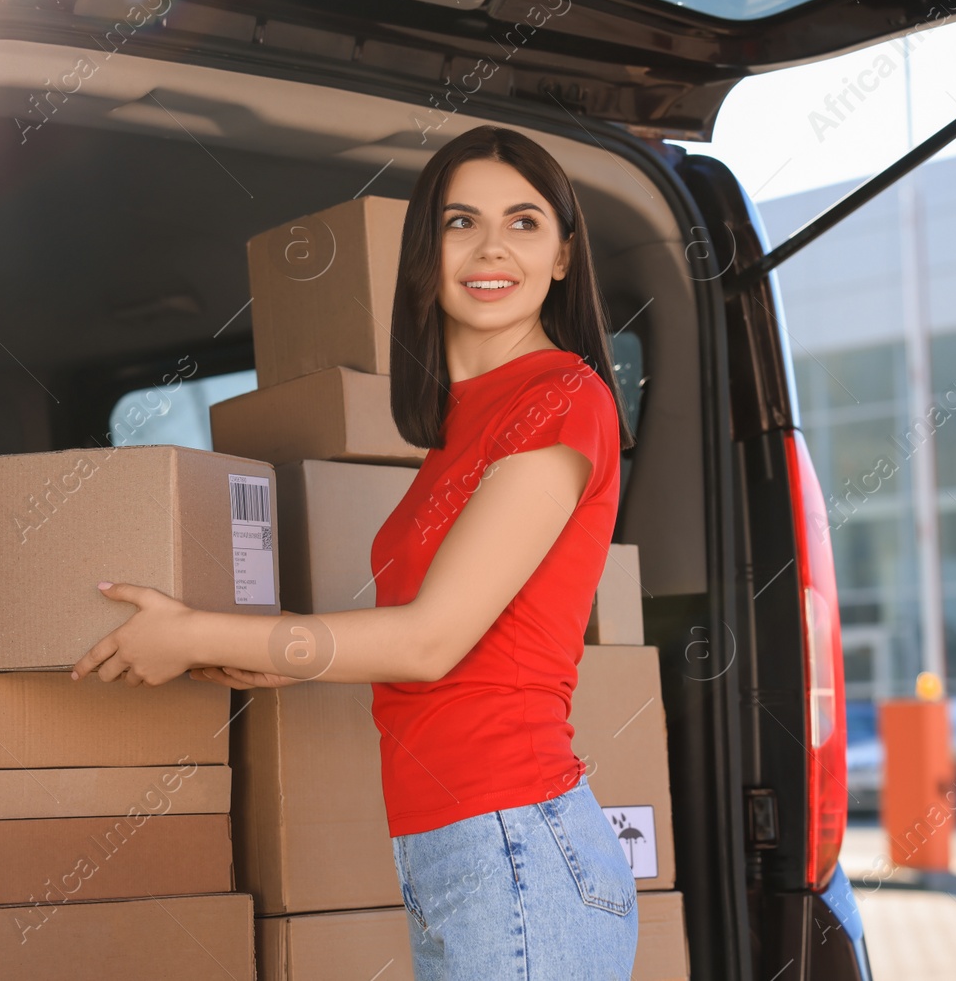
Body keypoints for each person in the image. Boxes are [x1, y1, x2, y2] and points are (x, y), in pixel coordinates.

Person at [70, 124, 639, 979]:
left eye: (524, 222)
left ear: (563, 255)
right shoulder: (464, 427)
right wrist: (287, 654)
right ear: (426, 252)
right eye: (461, 222)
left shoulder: (561, 398)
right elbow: (434, 641)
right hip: (465, 846)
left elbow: (430, 641)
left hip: (513, 838)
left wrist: (200, 634)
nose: (492, 247)